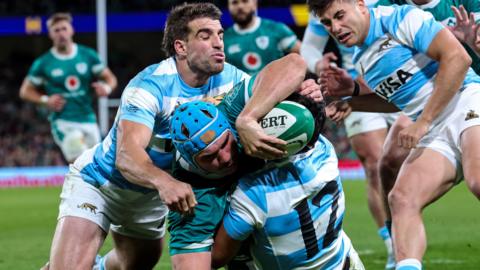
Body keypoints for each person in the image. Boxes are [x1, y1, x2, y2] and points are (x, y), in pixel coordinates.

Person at [41, 3, 252, 270]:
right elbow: (127, 156)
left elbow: (268, 87)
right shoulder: (150, 86)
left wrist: (301, 91)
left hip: (150, 198)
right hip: (102, 184)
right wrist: (166, 183)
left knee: (136, 264)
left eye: (220, 34)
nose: (218, 43)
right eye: (205, 35)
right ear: (181, 47)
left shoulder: (231, 79)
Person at [310, 0, 480, 269]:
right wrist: (353, 98)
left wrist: (423, 121)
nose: (336, 28)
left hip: (467, 102)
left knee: (478, 180)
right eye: (327, 23)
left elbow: (459, 58)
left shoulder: (400, 18)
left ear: (360, 6)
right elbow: (400, 99)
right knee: (401, 199)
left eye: (340, 16)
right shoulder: (361, 58)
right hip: (435, 129)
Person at [170, 90, 364, 270]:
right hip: (344, 261)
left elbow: (218, 257)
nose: (226, 157)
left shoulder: (252, 194)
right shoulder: (325, 150)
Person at [168, 52, 322, 269]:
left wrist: (248, 118)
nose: (225, 157)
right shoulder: (191, 198)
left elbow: (295, 63)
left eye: (225, 143)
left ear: (227, 126)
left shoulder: (231, 111)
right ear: (191, 162)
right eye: (209, 157)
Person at [300, 3, 406, 268]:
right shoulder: (329, 6)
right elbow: (309, 47)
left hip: (401, 82)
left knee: (401, 165)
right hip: (355, 87)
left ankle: (406, 222)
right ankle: (393, 243)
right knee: (375, 163)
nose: (334, 25)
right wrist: (319, 62)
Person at [19, 12, 117, 163]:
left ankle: (77, 187)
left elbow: (110, 78)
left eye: (64, 28)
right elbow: (25, 91)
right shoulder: (43, 62)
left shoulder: (88, 55)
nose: (61, 33)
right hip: (63, 121)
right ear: (50, 34)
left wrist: (106, 88)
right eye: (56, 30)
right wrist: (45, 100)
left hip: (88, 118)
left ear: (71, 30)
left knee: (97, 164)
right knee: (80, 162)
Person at [224, 0, 301, 74]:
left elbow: (304, 55)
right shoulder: (223, 39)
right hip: (241, 87)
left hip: (276, 86)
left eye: (245, 1)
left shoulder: (276, 29)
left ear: (254, 4)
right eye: (234, 2)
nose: (240, 6)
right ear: (228, 6)